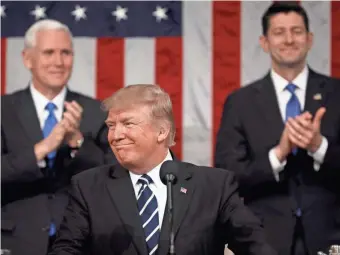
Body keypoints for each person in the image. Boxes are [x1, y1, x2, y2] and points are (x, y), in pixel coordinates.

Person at [49, 84, 277, 255]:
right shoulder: (89, 187)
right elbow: (65, 251)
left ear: (162, 132)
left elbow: (255, 246)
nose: (115, 135)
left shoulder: (213, 187)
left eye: (128, 124)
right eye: (111, 126)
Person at [214, 2, 340, 255]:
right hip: (264, 240)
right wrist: (278, 154)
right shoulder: (240, 102)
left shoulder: (337, 94)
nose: (289, 39)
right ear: (264, 41)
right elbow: (226, 177)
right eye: (279, 32)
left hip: (331, 236)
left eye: (296, 31)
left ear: (310, 38)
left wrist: (319, 147)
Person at [1, 19, 116, 255]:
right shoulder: (4, 110)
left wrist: (78, 143)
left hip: (81, 241)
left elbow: (116, 174)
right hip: (17, 241)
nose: (58, 62)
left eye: (66, 53)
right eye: (49, 52)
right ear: (27, 58)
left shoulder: (97, 111)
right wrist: (41, 150)